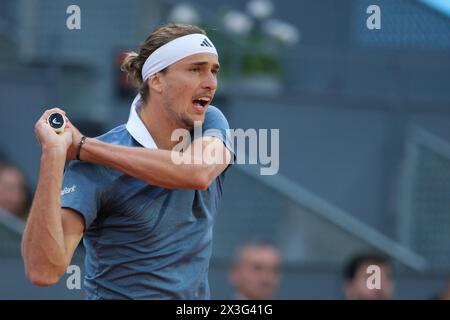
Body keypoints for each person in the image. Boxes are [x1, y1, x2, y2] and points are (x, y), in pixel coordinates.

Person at [22, 23, 233, 299]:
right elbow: (43, 271)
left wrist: (85, 145)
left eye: (213, 71)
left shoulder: (211, 122)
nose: (211, 83)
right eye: (196, 69)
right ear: (156, 80)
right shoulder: (93, 168)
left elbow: (197, 172)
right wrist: (53, 155)